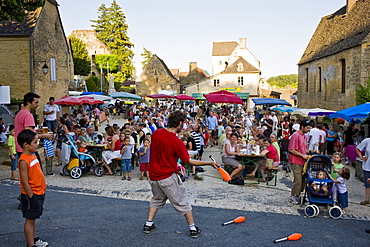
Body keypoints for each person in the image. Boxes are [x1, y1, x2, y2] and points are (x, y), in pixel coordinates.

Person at [143, 110, 219, 238]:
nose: (183, 126)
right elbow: (188, 161)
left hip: (153, 175)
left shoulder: (157, 133)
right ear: (179, 123)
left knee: (156, 199)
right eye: (182, 124)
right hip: (167, 177)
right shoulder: (177, 142)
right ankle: (193, 228)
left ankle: (148, 224)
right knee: (182, 201)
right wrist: (209, 163)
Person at [18, 129, 48, 247]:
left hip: (39, 192)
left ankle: (34, 239)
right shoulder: (23, 161)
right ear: (26, 145)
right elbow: (25, 182)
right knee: (29, 219)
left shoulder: (33, 156)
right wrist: (31, 196)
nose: (37, 144)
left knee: (33, 218)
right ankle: (31, 245)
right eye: (35, 142)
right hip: (32, 194)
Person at [288, 120, 311, 205]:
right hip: (295, 161)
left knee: (303, 180)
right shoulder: (295, 135)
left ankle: (297, 195)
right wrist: (302, 155)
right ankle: (292, 196)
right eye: (308, 128)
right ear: (302, 127)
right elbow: (291, 149)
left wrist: (311, 151)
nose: (309, 130)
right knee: (298, 180)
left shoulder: (304, 136)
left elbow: (304, 148)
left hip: (303, 161)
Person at [356, 138, 370, 205]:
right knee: (367, 184)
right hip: (367, 166)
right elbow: (358, 148)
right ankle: (367, 199)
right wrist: (361, 157)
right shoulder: (367, 141)